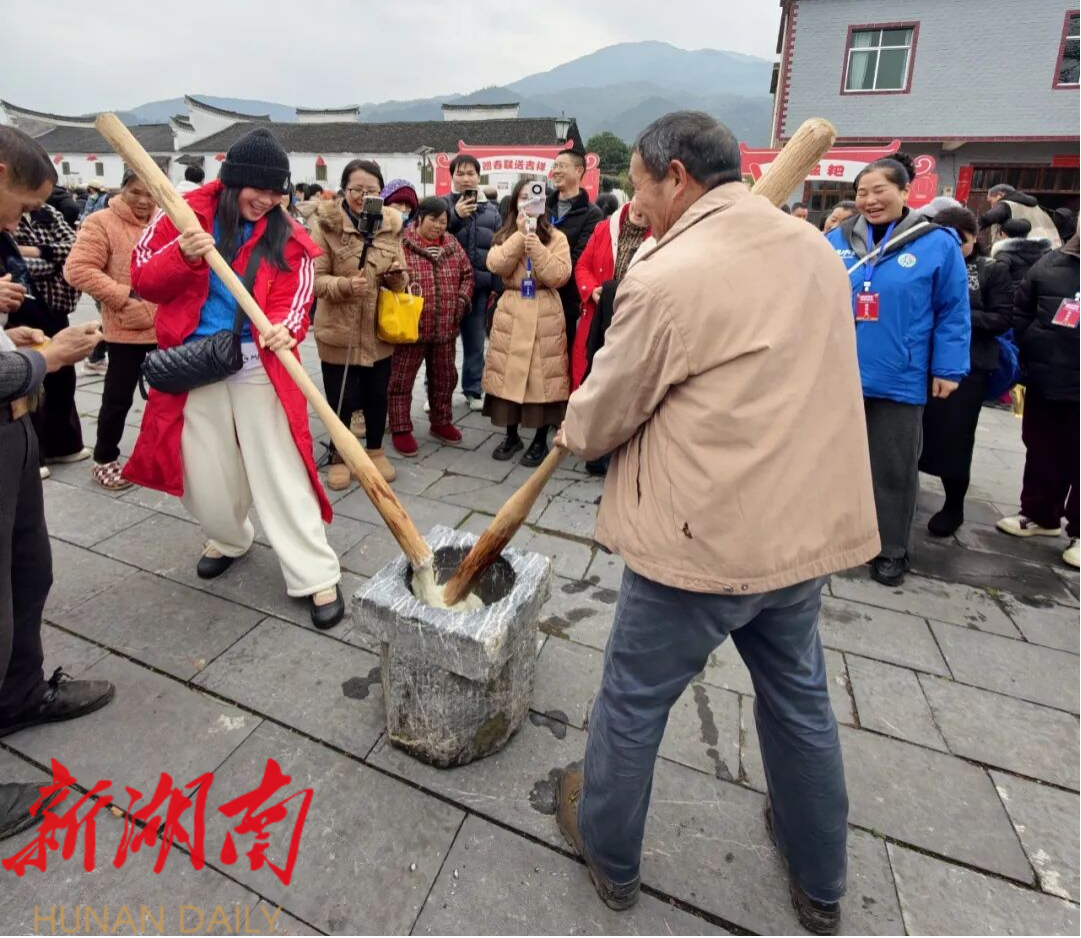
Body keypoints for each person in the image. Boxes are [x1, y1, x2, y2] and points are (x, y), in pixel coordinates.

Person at [550, 112, 878, 934]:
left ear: (677, 177)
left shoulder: (667, 274)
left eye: (638, 185)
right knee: (798, 701)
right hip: (798, 529)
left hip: (699, 538)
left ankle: (610, 855)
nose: (633, 204)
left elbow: (606, 410)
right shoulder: (815, 250)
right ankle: (820, 877)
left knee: (632, 702)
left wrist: (572, 429)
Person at [123, 128, 345, 629]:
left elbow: (297, 295)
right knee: (203, 472)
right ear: (231, 182)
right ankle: (228, 537)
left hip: (258, 364)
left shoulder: (287, 234)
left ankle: (315, 573)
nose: (266, 200)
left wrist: (286, 328)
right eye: (257, 189)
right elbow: (144, 281)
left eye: (275, 192)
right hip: (195, 363)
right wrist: (183, 255)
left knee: (279, 468)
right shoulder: (181, 214)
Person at [1, 125, 115, 837]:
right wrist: (50, 357)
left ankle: (19, 695)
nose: (18, 224)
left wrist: (10, 338)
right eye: (18, 205)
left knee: (28, 570)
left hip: (14, 428)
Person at [826, 155, 970, 587]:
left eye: (879, 191)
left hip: (898, 375)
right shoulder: (836, 239)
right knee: (834, 463)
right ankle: (836, 536)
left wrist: (948, 367)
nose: (869, 200)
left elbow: (953, 310)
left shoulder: (936, 243)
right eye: (861, 193)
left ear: (905, 192)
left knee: (892, 467)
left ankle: (891, 549)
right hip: (836, 375)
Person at [310, 159, 407, 487]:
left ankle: (375, 451)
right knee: (342, 397)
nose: (364, 197)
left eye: (372, 191)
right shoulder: (326, 226)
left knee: (377, 394)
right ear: (344, 190)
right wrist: (346, 286)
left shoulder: (391, 224)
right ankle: (340, 454)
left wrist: (397, 278)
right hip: (339, 329)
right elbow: (315, 279)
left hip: (378, 329)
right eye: (357, 190)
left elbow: (402, 277)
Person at [919, 206, 1013, 536]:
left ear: (974, 237)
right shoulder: (927, 262)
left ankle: (953, 504)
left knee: (955, 437)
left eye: (961, 239)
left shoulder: (990, 270)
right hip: (921, 361)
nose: (954, 245)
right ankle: (905, 491)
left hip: (968, 367)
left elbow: (1002, 318)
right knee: (914, 432)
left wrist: (953, 312)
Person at [64, 170, 158, 491]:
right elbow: (77, 269)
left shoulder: (164, 222)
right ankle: (104, 459)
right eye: (136, 192)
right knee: (118, 398)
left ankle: (157, 454)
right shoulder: (101, 222)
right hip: (127, 327)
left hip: (167, 327)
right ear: (122, 189)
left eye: (150, 193)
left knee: (167, 399)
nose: (143, 200)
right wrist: (124, 295)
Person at [997, 215, 1080, 569]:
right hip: (1046, 379)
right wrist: (1031, 350)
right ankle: (1040, 515)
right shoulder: (1051, 262)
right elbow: (1022, 310)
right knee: (1042, 449)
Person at [484, 178, 572, 467]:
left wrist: (537, 247)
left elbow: (559, 275)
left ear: (543, 203)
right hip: (511, 308)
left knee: (542, 377)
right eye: (522, 198)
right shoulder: (505, 234)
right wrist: (520, 236)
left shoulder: (556, 237)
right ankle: (511, 435)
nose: (528, 203)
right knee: (508, 372)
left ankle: (539, 440)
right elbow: (496, 265)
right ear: (514, 202)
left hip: (544, 310)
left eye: (534, 198)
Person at [571, 196, 651, 475]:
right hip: (597, 316)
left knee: (623, 383)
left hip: (634, 320)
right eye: (639, 201)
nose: (641, 210)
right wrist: (592, 289)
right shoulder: (605, 228)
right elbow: (582, 266)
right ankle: (591, 441)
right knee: (591, 375)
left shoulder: (662, 234)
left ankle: (615, 444)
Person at [389, 197, 473, 456]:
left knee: (445, 378)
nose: (439, 226)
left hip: (445, 327)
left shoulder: (452, 244)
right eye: (434, 220)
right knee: (401, 380)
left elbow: (467, 275)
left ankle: (441, 421)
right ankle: (400, 428)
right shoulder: (401, 243)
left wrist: (461, 301)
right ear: (419, 219)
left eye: (443, 221)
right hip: (410, 329)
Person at [9, 201, 87, 473]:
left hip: (55, 305)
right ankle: (35, 455)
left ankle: (63, 445)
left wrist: (31, 252)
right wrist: (53, 261)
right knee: (26, 379)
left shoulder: (48, 211)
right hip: (19, 307)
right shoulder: (7, 211)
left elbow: (74, 248)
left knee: (63, 376)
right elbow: (14, 266)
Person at [446, 154, 503, 412]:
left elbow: (498, 249)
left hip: (478, 288)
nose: (465, 178)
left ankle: (472, 390)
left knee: (475, 343)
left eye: (470, 173)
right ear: (452, 177)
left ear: (479, 177)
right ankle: (437, 392)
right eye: (460, 173)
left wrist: (496, 287)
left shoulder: (491, 211)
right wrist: (455, 216)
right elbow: (429, 235)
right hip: (446, 287)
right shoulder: (442, 206)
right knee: (441, 346)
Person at [547, 149, 603, 351]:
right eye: (555, 166)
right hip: (537, 295)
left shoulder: (592, 213)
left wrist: (548, 272)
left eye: (562, 166)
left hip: (566, 300)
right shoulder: (541, 207)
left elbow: (580, 258)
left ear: (579, 171)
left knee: (563, 356)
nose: (556, 171)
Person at [979, 184, 1062, 248]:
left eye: (991, 201)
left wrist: (973, 228)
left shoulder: (1006, 204)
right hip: (1050, 246)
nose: (992, 206)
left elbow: (987, 218)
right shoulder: (1037, 207)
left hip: (1023, 249)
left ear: (1000, 195)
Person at [991, 218, 1052, 289]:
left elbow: (998, 283)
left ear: (1003, 234)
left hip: (1014, 294)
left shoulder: (1002, 256)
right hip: (1040, 293)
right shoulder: (1045, 252)